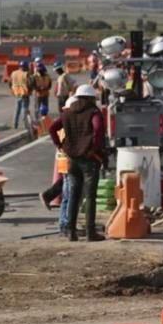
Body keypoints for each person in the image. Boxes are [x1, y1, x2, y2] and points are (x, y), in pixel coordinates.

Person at [47, 85, 106, 241]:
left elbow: (52, 128)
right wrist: (93, 149)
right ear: (90, 98)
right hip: (89, 160)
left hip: (72, 159)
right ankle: (90, 232)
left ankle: (71, 232)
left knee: (73, 194)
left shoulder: (68, 113)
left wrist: (60, 145)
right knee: (90, 196)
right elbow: (98, 129)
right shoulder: (93, 112)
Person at [38, 96, 76, 235]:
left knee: (66, 192)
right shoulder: (68, 123)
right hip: (68, 161)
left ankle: (64, 222)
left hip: (63, 161)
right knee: (69, 195)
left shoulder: (62, 121)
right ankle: (65, 224)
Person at [10, 60, 31, 129]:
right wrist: (30, 91)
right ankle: (25, 126)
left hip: (17, 94)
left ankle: (15, 124)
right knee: (24, 110)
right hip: (24, 94)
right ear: (25, 67)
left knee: (17, 110)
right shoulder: (26, 74)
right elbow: (30, 84)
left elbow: (10, 83)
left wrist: (12, 90)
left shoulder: (14, 73)